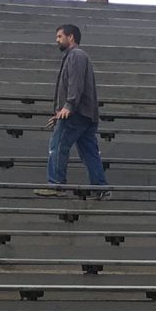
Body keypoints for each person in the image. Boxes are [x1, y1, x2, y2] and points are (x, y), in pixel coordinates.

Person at [37, 23, 108, 196]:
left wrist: (68, 106)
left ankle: (56, 185)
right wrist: (59, 111)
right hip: (85, 114)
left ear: (71, 37)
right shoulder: (76, 56)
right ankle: (101, 189)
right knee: (89, 152)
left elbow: (75, 83)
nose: (57, 40)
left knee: (58, 145)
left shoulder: (76, 55)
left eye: (60, 36)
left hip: (76, 113)